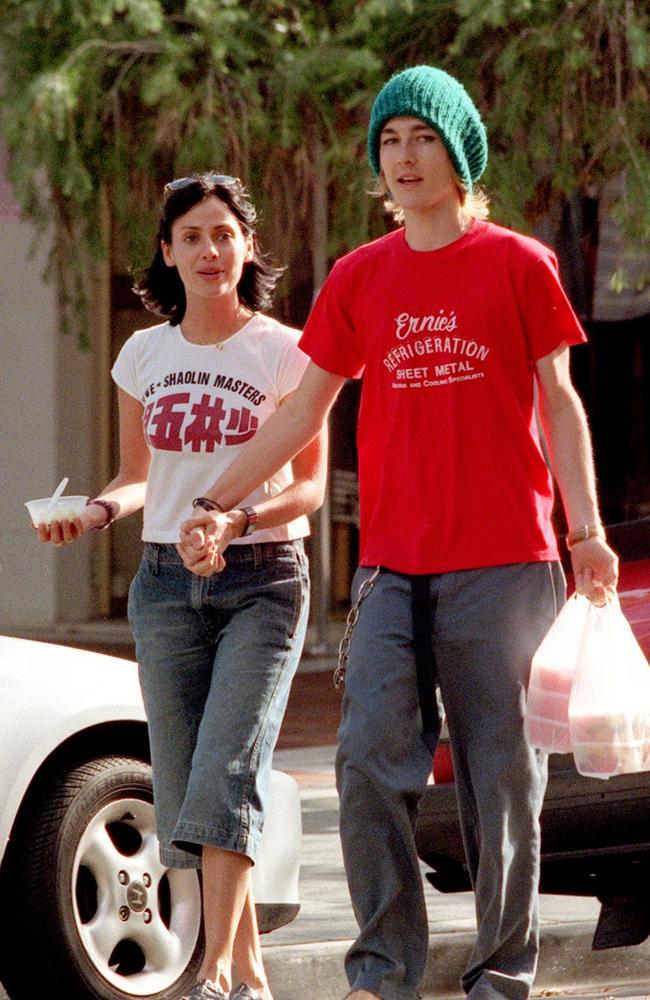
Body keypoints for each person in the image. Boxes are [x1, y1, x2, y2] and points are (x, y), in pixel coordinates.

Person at [177, 67, 619, 1000]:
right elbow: (301, 410)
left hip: (506, 561)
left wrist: (586, 532)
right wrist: (217, 501)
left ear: (458, 155)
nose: (405, 157)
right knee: (369, 761)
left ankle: (502, 974)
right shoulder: (360, 276)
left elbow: (561, 401)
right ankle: (382, 975)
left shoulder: (519, 263)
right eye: (390, 141)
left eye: (423, 138)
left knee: (503, 783)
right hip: (393, 567)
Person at [34, 172, 327, 1000]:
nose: (209, 249)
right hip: (164, 586)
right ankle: (253, 979)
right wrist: (92, 512)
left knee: (226, 770)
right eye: (191, 236)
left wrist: (235, 520)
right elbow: (137, 477)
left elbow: (310, 489)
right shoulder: (143, 355)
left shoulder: (287, 350)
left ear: (249, 248)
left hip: (263, 580)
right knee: (185, 782)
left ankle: (219, 969)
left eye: (224, 233)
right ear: (168, 252)